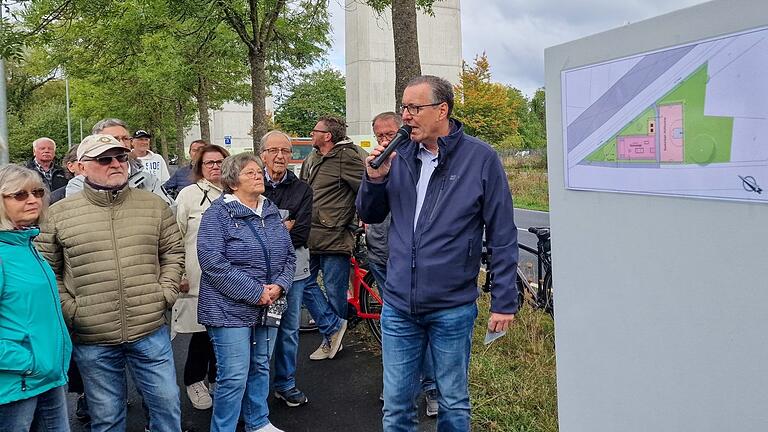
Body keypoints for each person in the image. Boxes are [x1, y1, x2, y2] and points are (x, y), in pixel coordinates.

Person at [356, 75, 519, 431]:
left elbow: (502, 233)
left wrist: (505, 299)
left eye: (414, 108)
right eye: (404, 108)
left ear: (442, 110)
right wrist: (375, 178)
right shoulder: (398, 157)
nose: (406, 116)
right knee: (397, 406)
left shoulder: (480, 158)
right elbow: (370, 214)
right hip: (399, 305)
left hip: (452, 306)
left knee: (453, 402)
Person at [37, 134, 185, 432]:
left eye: (121, 157)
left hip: (149, 328)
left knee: (168, 409)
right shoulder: (58, 213)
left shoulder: (154, 205)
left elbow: (173, 252)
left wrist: (164, 294)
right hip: (93, 336)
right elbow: (47, 270)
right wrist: (73, 310)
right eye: (105, 159)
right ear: (81, 167)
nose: (116, 164)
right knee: (106, 419)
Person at [197, 152, 295, 432]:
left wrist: (280, 285)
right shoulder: (218, 214)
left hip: (270, 304)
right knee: (234, 376)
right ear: (232, 181)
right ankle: (224, 428)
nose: (257, 176)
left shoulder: (270, 209)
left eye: (258, 171)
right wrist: (255, 292)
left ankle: (258, 422)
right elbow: (213, 264)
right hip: (228, 310)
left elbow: (289, 255)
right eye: (249, 173)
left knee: (261, 366)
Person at [367, 111, 439, 416]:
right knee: (396, 328)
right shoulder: (377, 165)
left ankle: (432, 388)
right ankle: (397, 388)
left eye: (389, 134)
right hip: (380, 257)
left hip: (410, 264)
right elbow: (366, 208)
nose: (384, 141)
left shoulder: (414, 163)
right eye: (379, 135)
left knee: (421, 328)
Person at [0, 165, 72, 432]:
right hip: (16, 383)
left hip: (47, 376)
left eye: (38, 192)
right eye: (19, 195)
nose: (33, 199)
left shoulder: (27, 244)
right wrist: (27, 362)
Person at [299, 115, 365, 360]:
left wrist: (359, 218)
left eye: (315, 131)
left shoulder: (347, 157)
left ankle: (331, 341)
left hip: (335, 234)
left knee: (336, 290)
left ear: (327, 136)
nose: (311, 134)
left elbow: (366, 190)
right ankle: (333, 328)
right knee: (302, 280)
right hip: (311, 233)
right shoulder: (313, 157)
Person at [172, 144, 230, 410]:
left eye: (220, 162)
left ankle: (218, 379)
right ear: (200, 167)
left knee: (226, 333)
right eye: (210, 163)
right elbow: (176, 236)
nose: (216, 167)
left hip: (232, 278)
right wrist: (179, 273)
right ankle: (195, 381)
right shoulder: (188, 195)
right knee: (201, 333)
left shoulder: (235, 194)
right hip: (198, 277)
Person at [260, 130, 314, 407]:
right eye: (274, 150)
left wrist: (266, 232)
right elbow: (243, 231)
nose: (280, 156)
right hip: (258, 274)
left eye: (285, 151)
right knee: (261, 330)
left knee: (288, 330)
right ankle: (255, 389)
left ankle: (285, 384)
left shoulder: (302, 189)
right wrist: (283, 225)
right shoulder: (252, 184)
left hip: (293, 273)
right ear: (263, 154)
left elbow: (302, 233)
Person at [63, 119, 173, 206]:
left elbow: (167, 213)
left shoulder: (148, 179)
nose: (120, 143)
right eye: (113, 138)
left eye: (125, 138)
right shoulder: (79, 184)